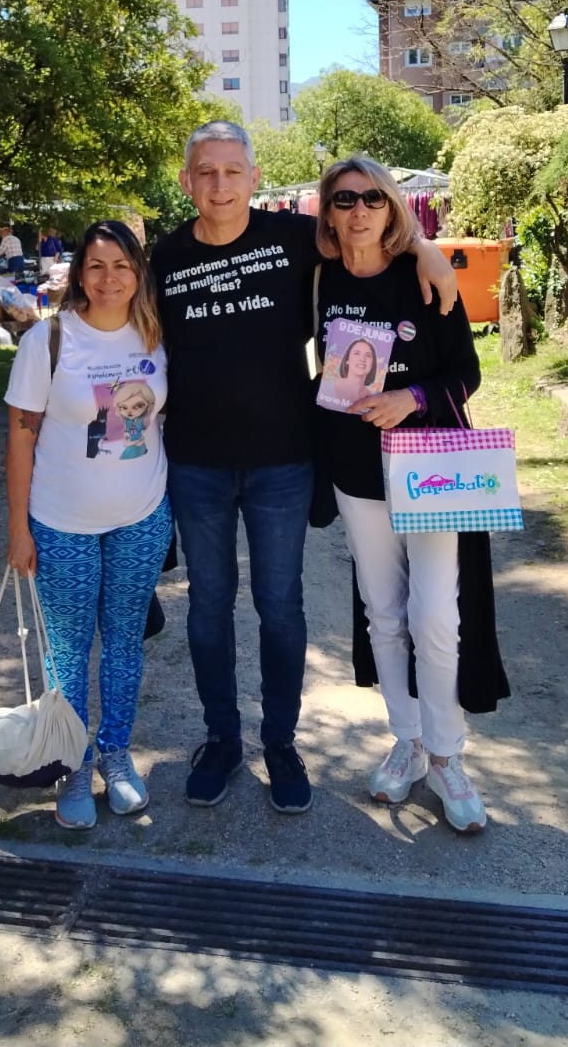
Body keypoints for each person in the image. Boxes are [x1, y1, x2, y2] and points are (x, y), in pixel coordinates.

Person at [149, 120, 457, 815]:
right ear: (187, 181)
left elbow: (369, 234)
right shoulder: (165, 257)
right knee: (208, 606)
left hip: (283, 461)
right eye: (206, 172)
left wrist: (429, 249)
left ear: (254, 178)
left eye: (233, 171)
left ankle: (281, 743)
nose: (220, 185)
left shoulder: (294, 239)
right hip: (195, 463)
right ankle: (221, 740)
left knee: (280, 607)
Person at [314, 154, 509, 833]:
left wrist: (412, 398)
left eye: (373, 198)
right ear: (327, 211)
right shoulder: (320, 278)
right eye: (344, 200)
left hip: (430, 471)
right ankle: (409, 739)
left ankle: (448, 755)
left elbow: (466, 372)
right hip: (356, 471)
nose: (359, 211)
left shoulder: (424, 276)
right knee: (384, 614)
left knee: (435, 617)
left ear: (392, 206)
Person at [4, 221, 171, 830]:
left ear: (138, 273)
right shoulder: (48, 341)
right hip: (61, 523)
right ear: (79, 273)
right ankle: (70, 766)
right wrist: (18, 530)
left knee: (125, 643)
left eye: (122, 266)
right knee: (69, 652)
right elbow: (20, 438)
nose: (109, 278)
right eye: (96, 266)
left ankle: (115, 755)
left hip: (141, 517)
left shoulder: (156, 336)